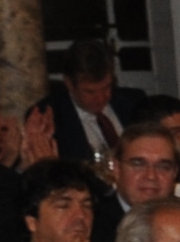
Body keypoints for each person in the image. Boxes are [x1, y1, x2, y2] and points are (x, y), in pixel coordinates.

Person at [36, 34, 134, 170]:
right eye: (90, 92)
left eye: (106, 88)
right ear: (69, 84)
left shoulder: (133, 103)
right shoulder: (51, 117)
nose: (100, 98)